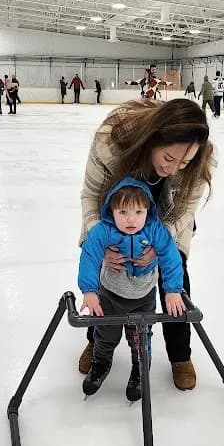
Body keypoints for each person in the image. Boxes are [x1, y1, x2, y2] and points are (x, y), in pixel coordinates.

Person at [77, 99, 214, 391]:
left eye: (184, 163)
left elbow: (186, 212)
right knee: (108, 278)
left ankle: (180, 356)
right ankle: (97, 340)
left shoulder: (200, 160)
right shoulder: (110, 141)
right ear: (152, 140)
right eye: (168, 158)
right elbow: (90, 196)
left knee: (176, 275)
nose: (174, 168)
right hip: (119, 215)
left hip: (168, 221)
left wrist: (159, 244)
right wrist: (100, 243)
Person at [79, 178, 186, 401]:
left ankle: (139, 369)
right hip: (110, 295)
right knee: (105, 334)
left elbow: (170, 256)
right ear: (112, 211)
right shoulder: (104, 230)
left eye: (138, 211)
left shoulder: (155, 230)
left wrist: (173, 290)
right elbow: (89, 255)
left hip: (143, 297)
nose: (131, 219)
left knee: (139, 336)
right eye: (123, 212)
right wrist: (90, 291)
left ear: (148, 209)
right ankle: (101, 364)